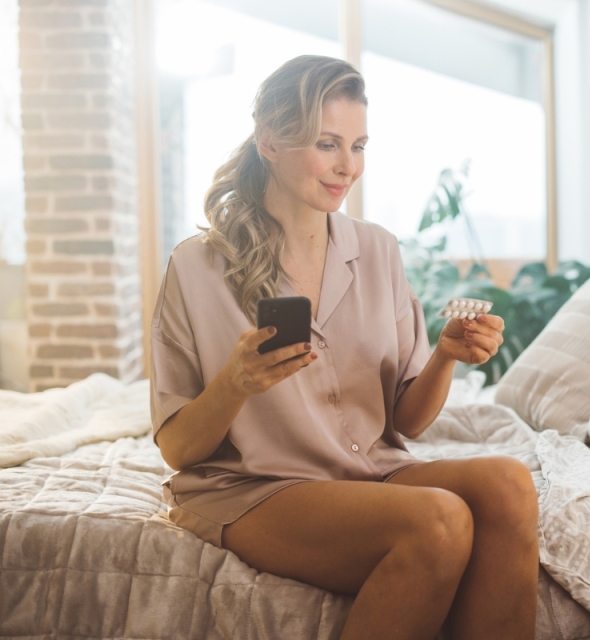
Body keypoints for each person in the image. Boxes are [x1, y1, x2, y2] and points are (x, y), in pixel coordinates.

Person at [150, 56, 539, 640]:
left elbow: (405, 420)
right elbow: (179, 449)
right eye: (327, 144)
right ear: (270, 141)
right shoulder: (196, 267)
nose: (347, 167)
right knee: (438, 521)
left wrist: (445, 356)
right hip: (257, 488)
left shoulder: (379, 249)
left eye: (358, 146)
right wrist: (235, 385)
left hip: (368, 473)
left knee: (509, 484)